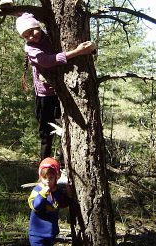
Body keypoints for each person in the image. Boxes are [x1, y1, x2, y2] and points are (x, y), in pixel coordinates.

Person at [16, 12, 96, 160]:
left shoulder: (50, 35)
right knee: (46, 134)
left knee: (65, 129)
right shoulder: (30, 48)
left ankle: (63, 165)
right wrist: (77, 52)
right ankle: (45, 170)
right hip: (44, 95)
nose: (31, 37)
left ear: (37, 26)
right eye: (26, 36)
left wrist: (91, 47)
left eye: (32, 31)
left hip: (61, 91)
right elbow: (47, 61)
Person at [28, 157, 72, 246]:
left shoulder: (57, 191)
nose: (48, 181)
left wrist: (69, 194)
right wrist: (43, 194)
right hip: (36, 232)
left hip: (50, 231)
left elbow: (63, 203)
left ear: (56, 178)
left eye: (51, 178)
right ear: (40, 177)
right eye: (45, 178)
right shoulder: (37, 190)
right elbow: (36, 206)